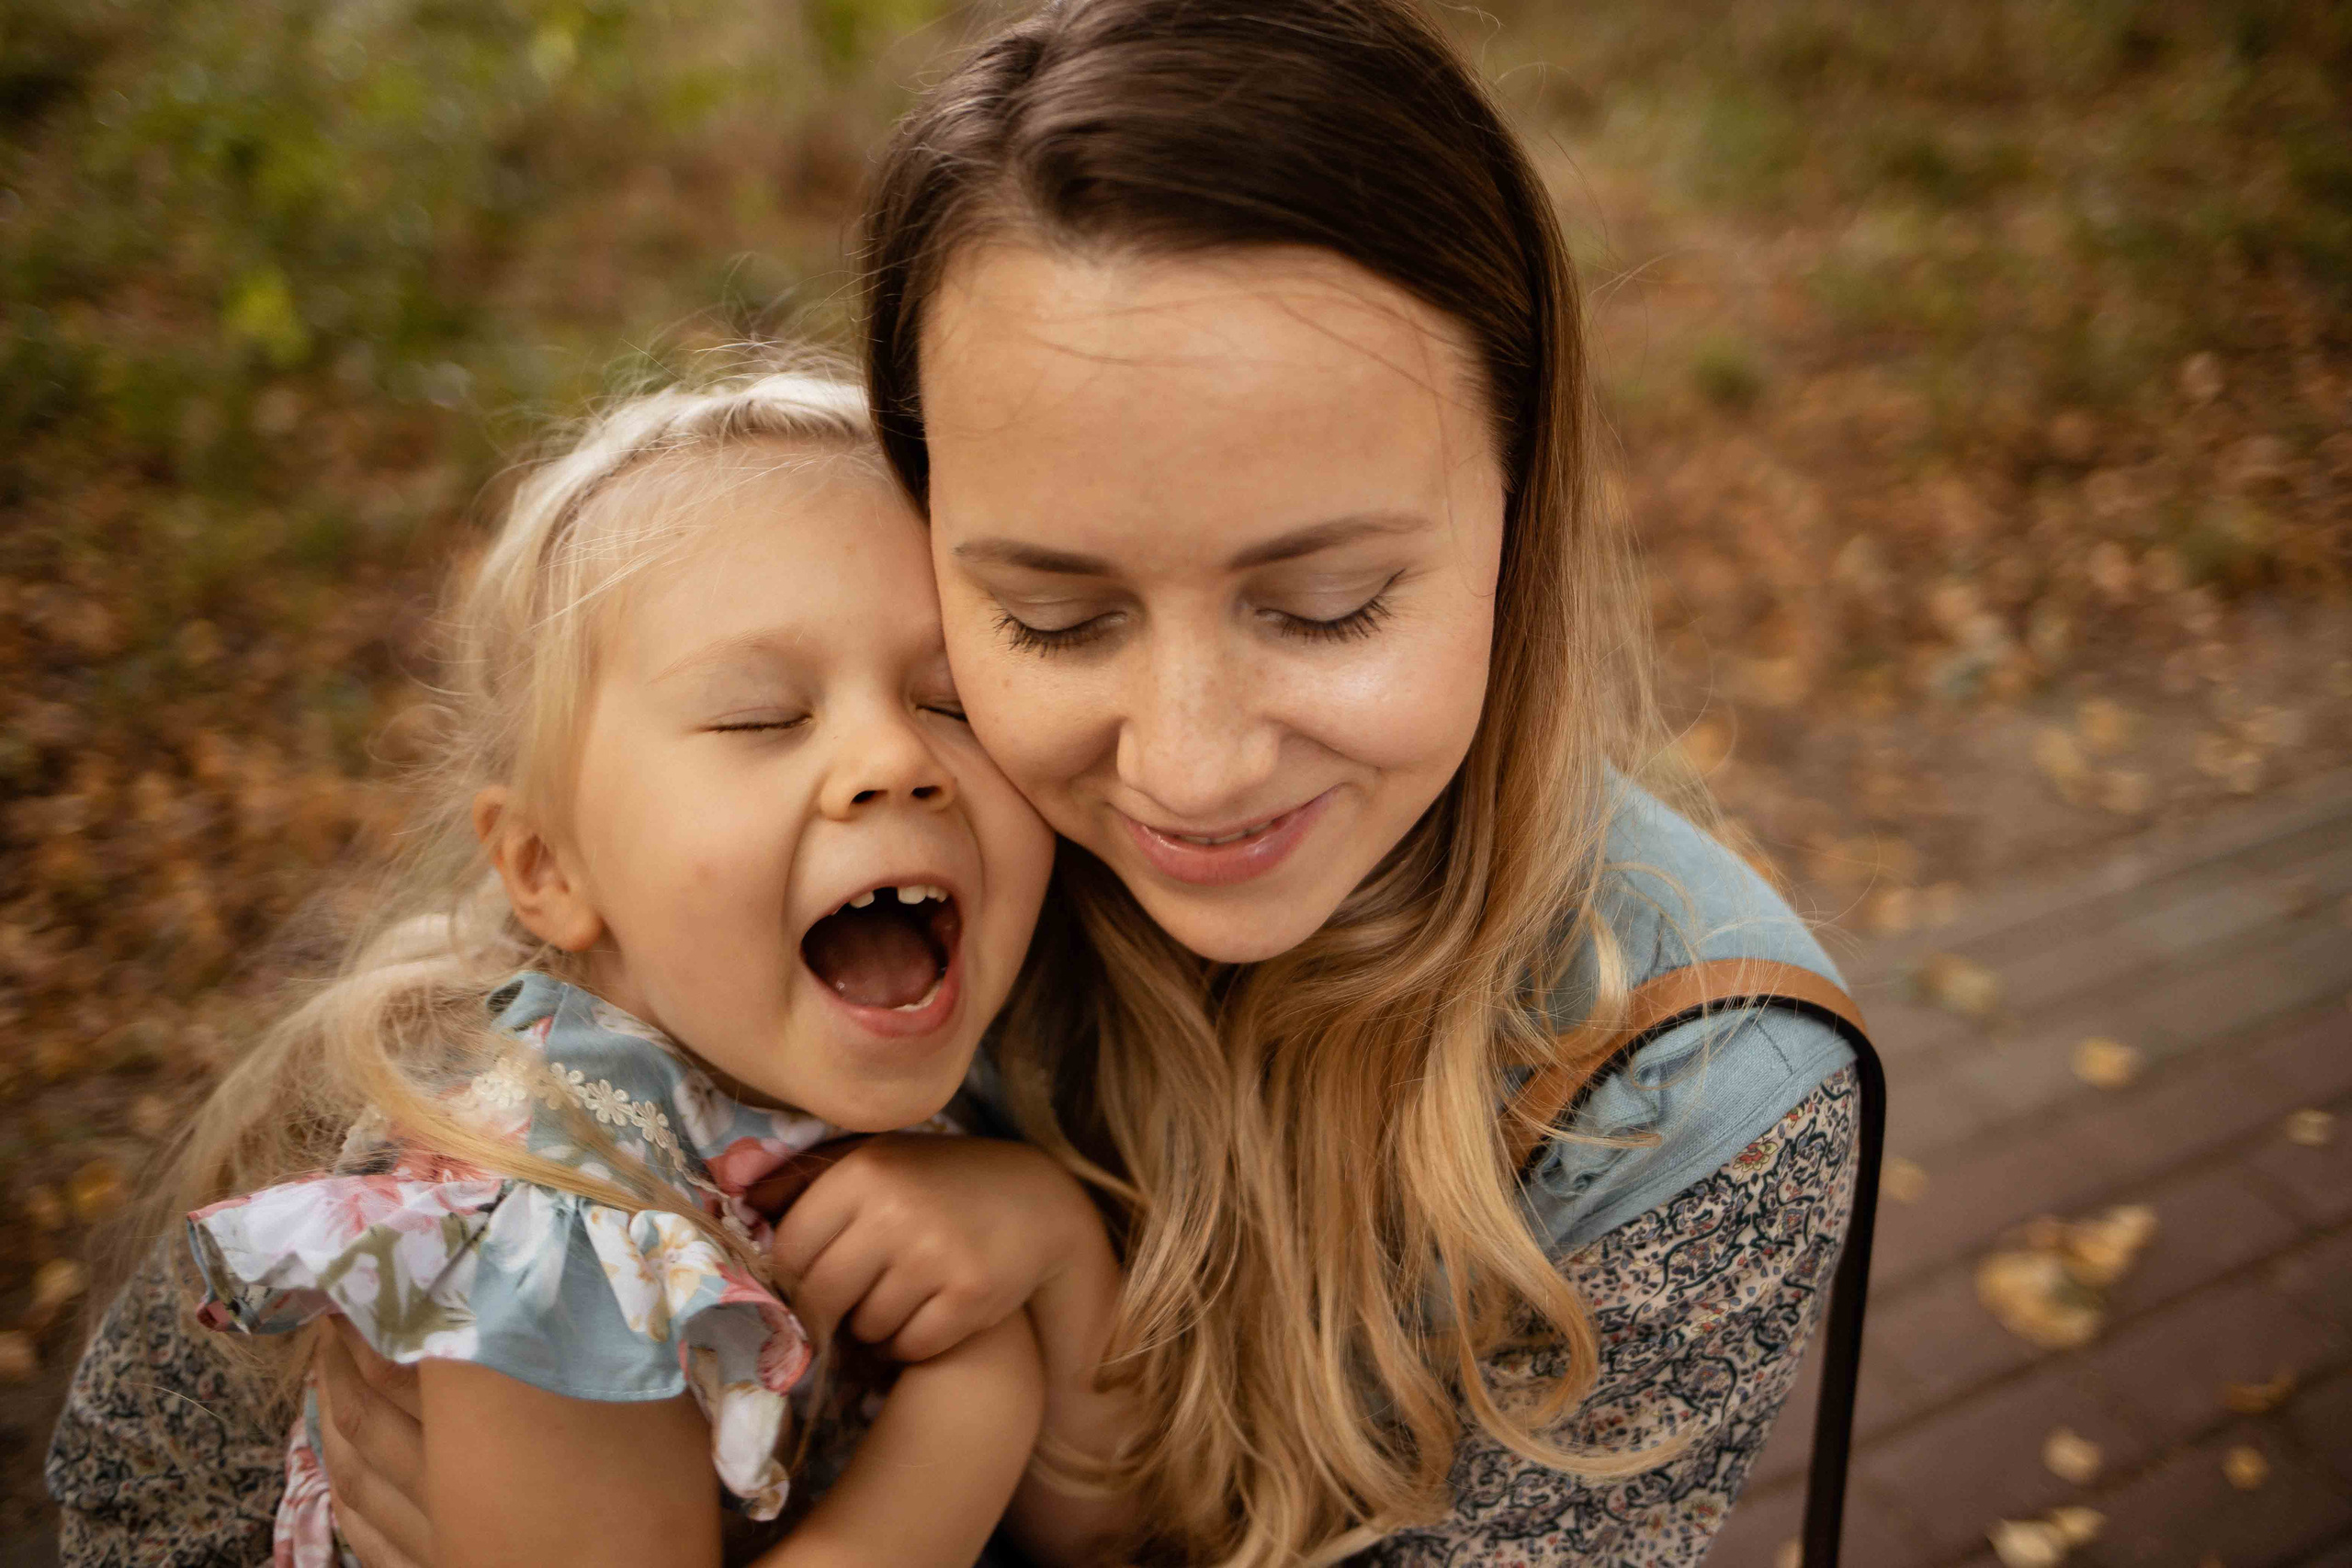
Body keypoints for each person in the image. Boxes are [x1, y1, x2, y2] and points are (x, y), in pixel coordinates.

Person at [51, 3, 1863, 1564]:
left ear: (1522, 509)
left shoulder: (1693, 1086)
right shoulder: (812, 858)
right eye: (1048, 615)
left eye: (1325, 604)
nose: (1189, 762)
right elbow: (139, 1481)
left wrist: (1037, 1332)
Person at [59, 367, 1099, 1568]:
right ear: (549, 867)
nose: (892, 756)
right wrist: (980, 1407)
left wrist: (1057, 1244)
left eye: (952, 699)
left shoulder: (890, 1080)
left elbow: (1124, 1529)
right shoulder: (559, 1227)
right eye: (762, 716)